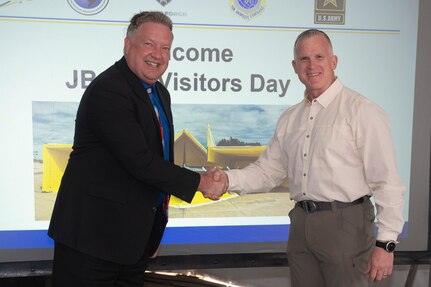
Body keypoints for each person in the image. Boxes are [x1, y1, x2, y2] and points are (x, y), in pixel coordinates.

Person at [210, 29, 404, 286]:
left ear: (333, 62)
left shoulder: (362, 111)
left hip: (347, 224)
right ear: (294, 66)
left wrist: (386, 243)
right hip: (301, 224)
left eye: (319, 57)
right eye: (304, 59)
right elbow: (267, 172)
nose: (311, 65)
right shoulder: (290, 118)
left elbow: (386, 181)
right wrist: (226, 179)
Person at [48, 11, 226, 287]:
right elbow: (140, 162)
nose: (158, 54)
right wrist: (200, 181)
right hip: (92, 243)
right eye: (149, 44)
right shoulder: (109, 90)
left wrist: (152, 231)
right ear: (127, 44)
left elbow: (160, 158)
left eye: (165, 48)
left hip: (132, 244)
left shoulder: (159, 93)